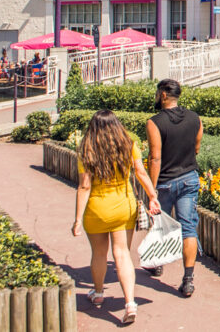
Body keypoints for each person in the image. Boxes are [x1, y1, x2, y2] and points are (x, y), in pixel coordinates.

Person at [73, 109, 160, 324]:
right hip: (124, 206)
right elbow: (140, 172)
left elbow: (84, 186)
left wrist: (77, 219)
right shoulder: (128, 144)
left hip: (97, 209)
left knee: (99, 254)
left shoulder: (87, 149)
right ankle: (130, 303)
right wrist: (152, 195)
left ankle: (99, 292)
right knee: (122, 254)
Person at [145, 79, 203, 297]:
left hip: (165, 181)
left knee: (161, 223)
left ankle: (157, 264)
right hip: (189, 178)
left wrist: (151, 190)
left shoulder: (154, 122)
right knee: (188, 227)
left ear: (162, 95)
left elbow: (155, 158)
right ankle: (188, 279)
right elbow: (196, 147)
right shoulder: (195, 118)